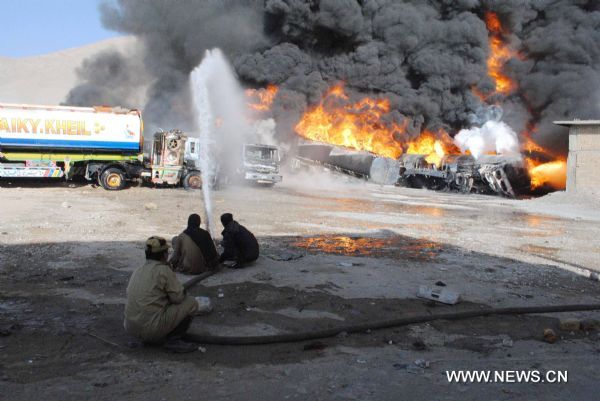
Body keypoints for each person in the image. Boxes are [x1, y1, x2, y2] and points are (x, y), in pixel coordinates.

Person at [124, 236, 198, 344]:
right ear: (164, 255)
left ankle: (151, 333)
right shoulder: (163, 270)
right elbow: (178, 298)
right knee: (191, 303)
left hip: (131, 327)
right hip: (151, 330)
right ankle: (174, 340)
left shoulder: (138, 270)